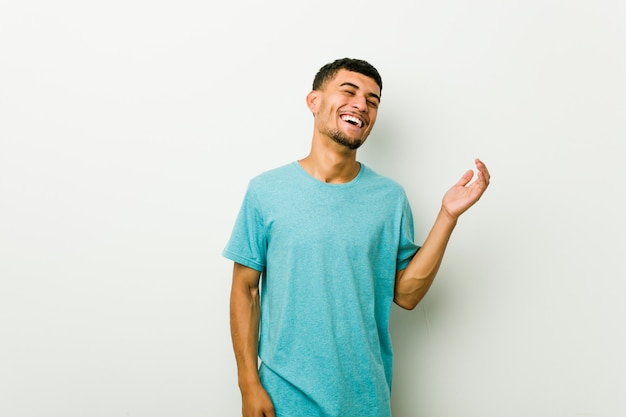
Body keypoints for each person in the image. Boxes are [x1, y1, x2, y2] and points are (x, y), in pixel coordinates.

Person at [223, 57, 490, 417]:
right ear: (314, 101)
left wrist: (447, 217)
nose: (361, 105)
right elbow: (245, 289)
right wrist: (248, 384)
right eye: (348, 91)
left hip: (364, 400)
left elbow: (407, 296)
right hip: (283, 399)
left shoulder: (389, 198)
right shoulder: (266, 191)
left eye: (372, 100)